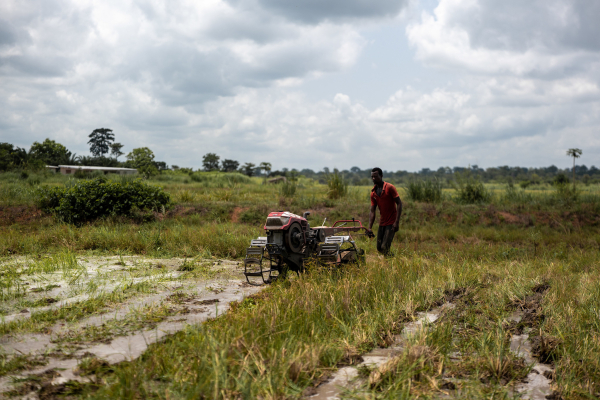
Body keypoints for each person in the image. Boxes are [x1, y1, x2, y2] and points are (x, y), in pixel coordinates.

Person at [366, 167, 402, 255]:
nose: (373, 179)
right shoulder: (373, 193)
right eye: (372, 177)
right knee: (379, 248)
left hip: (391, 222)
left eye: (376, 176)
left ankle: (391, 264)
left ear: (381, 176)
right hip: (382, 222)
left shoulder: (389, 188)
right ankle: (392, 259)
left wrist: (396, 222)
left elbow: (399, 203)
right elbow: (372, 211)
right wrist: (369, 228)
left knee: (384, 247)